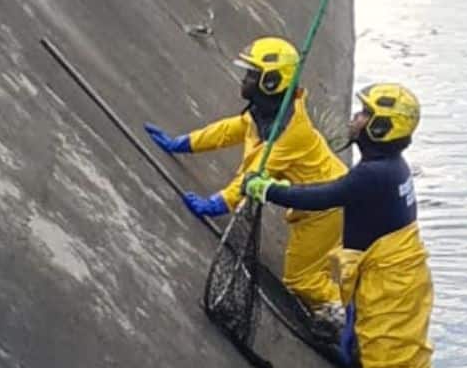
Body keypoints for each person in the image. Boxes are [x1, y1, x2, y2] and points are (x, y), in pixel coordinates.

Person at [245, 83, 435, 368]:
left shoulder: (374, 174)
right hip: (406, 277)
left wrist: (270, 190)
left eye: (364, 115)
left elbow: (325, 196)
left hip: (389, 288)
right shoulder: (390, 168)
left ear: (381, 128)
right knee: (413, 364)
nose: (355, 119)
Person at [142, 36, 347, 324]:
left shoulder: (287, 134)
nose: (245, 79)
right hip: (315, 199)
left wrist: (217, 203)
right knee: (313, 268)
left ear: (271, 82)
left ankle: (346, 319)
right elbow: (230, 130)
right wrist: (184, 143)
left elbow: (250, 178)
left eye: (253, 74)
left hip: (325, 208)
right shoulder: (267, 113)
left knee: (301, 280)